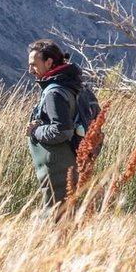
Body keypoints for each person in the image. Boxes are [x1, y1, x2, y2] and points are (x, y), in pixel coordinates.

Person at [26, 39, 83, 207]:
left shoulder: (54, 93)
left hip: (58, 169)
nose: (30, 70)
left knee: (56, 214)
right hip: (69, 163)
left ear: (49, 62)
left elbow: (61, 130)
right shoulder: (71, 85)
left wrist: (35, 131)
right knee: (68, 213)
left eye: (34, 65)